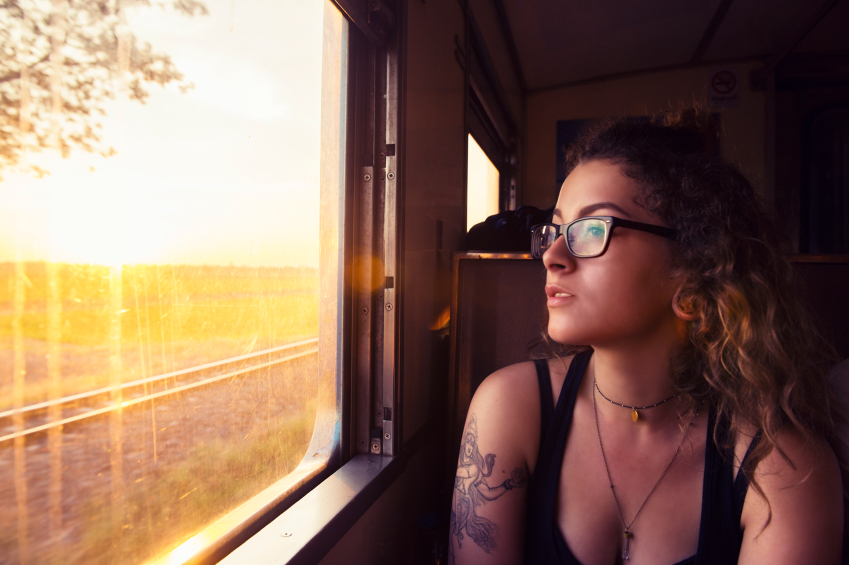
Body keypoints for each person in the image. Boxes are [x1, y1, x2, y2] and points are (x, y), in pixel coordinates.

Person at [448, 107, 844, 564]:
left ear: (695, 265)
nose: (552, 255)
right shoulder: (510, 406)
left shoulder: (783, 466)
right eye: (555, 229)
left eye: (592, 228)